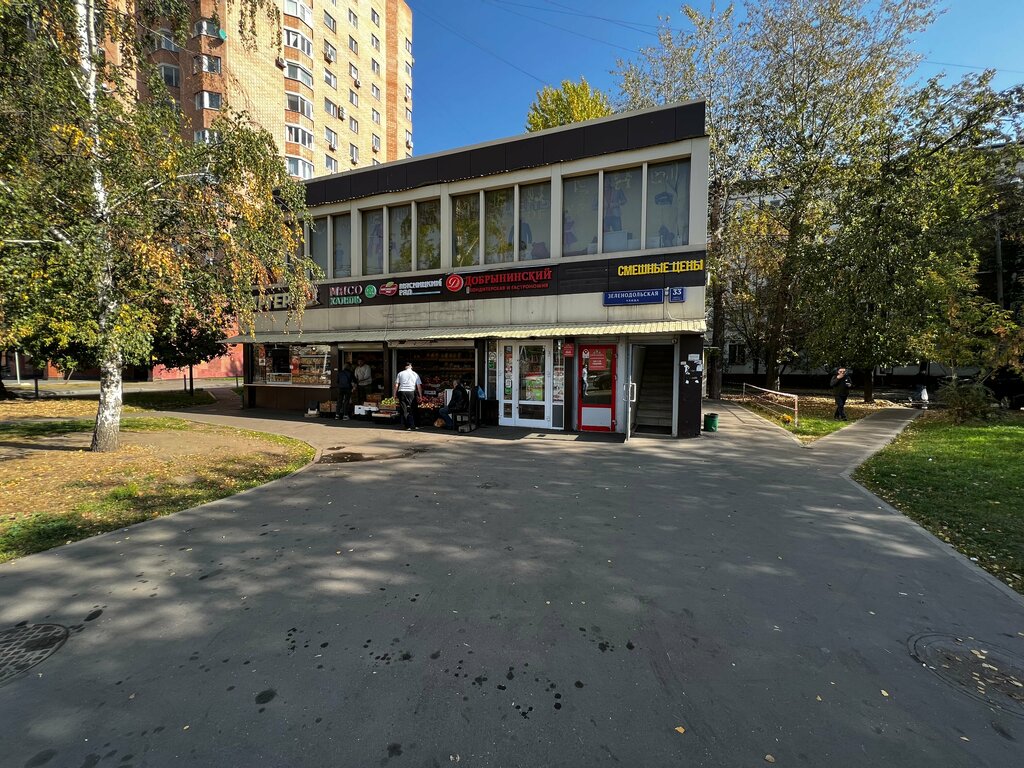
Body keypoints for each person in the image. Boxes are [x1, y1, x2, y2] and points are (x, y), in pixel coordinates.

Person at [393, 361, 422, 431]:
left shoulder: (400, 373)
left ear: (405, 367)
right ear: (411, 366)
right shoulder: (415, 374)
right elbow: (419, 386)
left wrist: (394, 394)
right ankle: (416, 425)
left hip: (402, 392)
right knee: (414, 408)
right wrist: (420, 396)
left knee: (404, 409)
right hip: (411, 392)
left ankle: (407, 426)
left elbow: (396, 385)